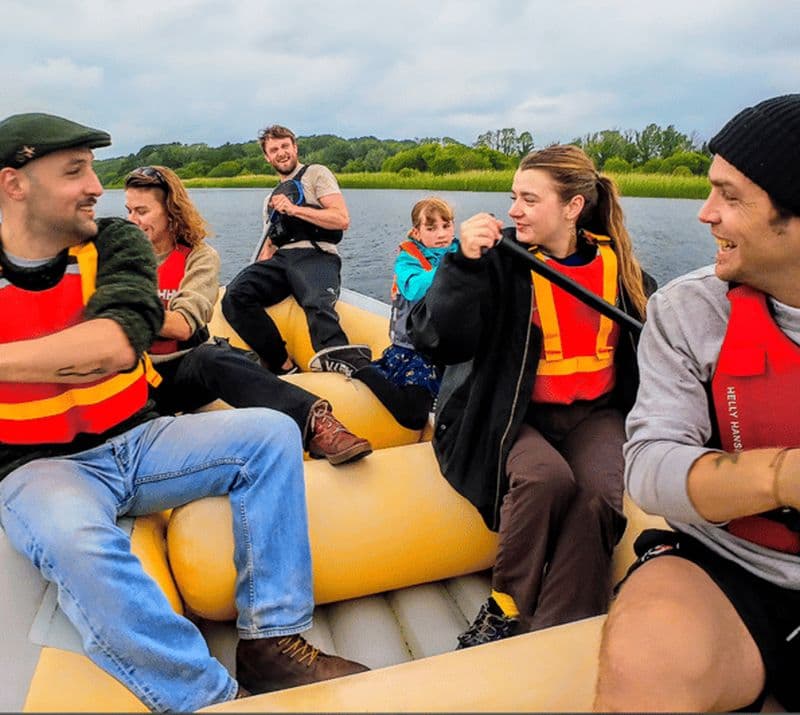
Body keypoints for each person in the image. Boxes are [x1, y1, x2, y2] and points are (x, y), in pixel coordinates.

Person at [0, 112, 368, 713]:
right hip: (39, 466)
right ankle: (210, 697)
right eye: (76, 172)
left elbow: (113, 346)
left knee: (270, 434)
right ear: (14, 184)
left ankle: (271, 640)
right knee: (74, 541)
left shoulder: (114, 244)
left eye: (93, 169)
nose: (97, 186)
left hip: (138, 440)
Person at [593, 95, 800, 713]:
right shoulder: (687, 311)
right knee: (645, 659)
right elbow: (650, 468)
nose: (705, 215)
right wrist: (783, 475)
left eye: (731, 197)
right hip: (730, 564)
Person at [408, 145, 654, 648]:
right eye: (512, 197)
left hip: (593, 415)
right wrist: (460, 263)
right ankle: (506, 607)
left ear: (572, 207)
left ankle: (561, 624)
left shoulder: (622, 270)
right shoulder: (499, 265)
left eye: (528, 198)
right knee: (545, 479)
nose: (513, 210)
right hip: (510, 416)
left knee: (599, 497)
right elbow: (435, 338)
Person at [123, 165, 372, 465]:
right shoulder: (120, 258)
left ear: (170, 211)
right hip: (131, 377)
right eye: (129, 211)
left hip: (180, 371)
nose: (132, 221)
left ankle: (316, 422)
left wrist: (122, 310)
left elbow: (184, 325)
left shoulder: (200, 257)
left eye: (141, 211)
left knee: (211, 358)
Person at [220, 124, 371, 376]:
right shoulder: (270, 199)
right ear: (267, 157)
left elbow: (341, 218)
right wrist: (253, 273)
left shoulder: (316, 174)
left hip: (316, 255)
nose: (281, 152)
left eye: (285, 146)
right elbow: (268, 246)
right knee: (235, 295)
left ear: (295, 147)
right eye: (274, 149)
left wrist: (293, 209)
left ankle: (349, 367)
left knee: (316, 303)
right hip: (282, 260)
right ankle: (282, 364)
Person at [344, 196, 458, 430]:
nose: (441, 234)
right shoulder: (407, 261)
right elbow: (415, 288)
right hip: (415, 350)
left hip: (447, 350)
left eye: (446, 226)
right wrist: (453, 266)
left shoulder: (459, 251)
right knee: (413, 417)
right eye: (431, 227)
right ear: (417, 233)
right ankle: (363, 370)